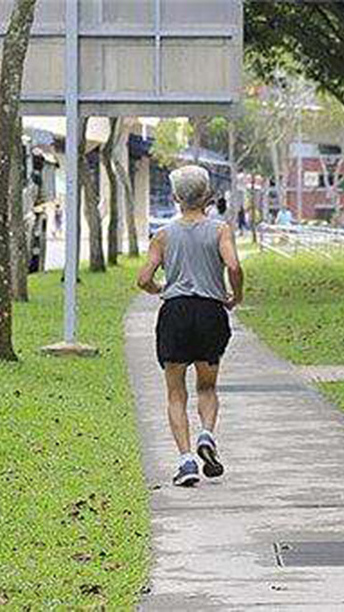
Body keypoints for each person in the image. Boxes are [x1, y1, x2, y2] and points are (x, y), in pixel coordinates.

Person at [137, 165, 245, 487]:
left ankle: (186, 461)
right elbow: (234, 266)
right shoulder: (220, 230)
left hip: (175, 313)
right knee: (207, 387)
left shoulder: (163, 235)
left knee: (175, 392)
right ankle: (207, 436)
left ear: (175, 198)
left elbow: (143, 279)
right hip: (211, 313)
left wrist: (161, 290)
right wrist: (235, 296)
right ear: (208, 197)